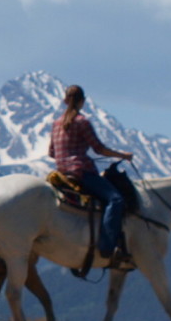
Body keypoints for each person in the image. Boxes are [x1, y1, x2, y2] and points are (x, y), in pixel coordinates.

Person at [50, 83, 135, 266]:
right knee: (116, 200)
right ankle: (107, 246)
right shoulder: (82, 122)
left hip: (61, 172)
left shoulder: (56, 124)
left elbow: (51, 152)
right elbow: (99, 149)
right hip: (81, 172)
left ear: (65, 101)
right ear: (82, 102)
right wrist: (123, 155)